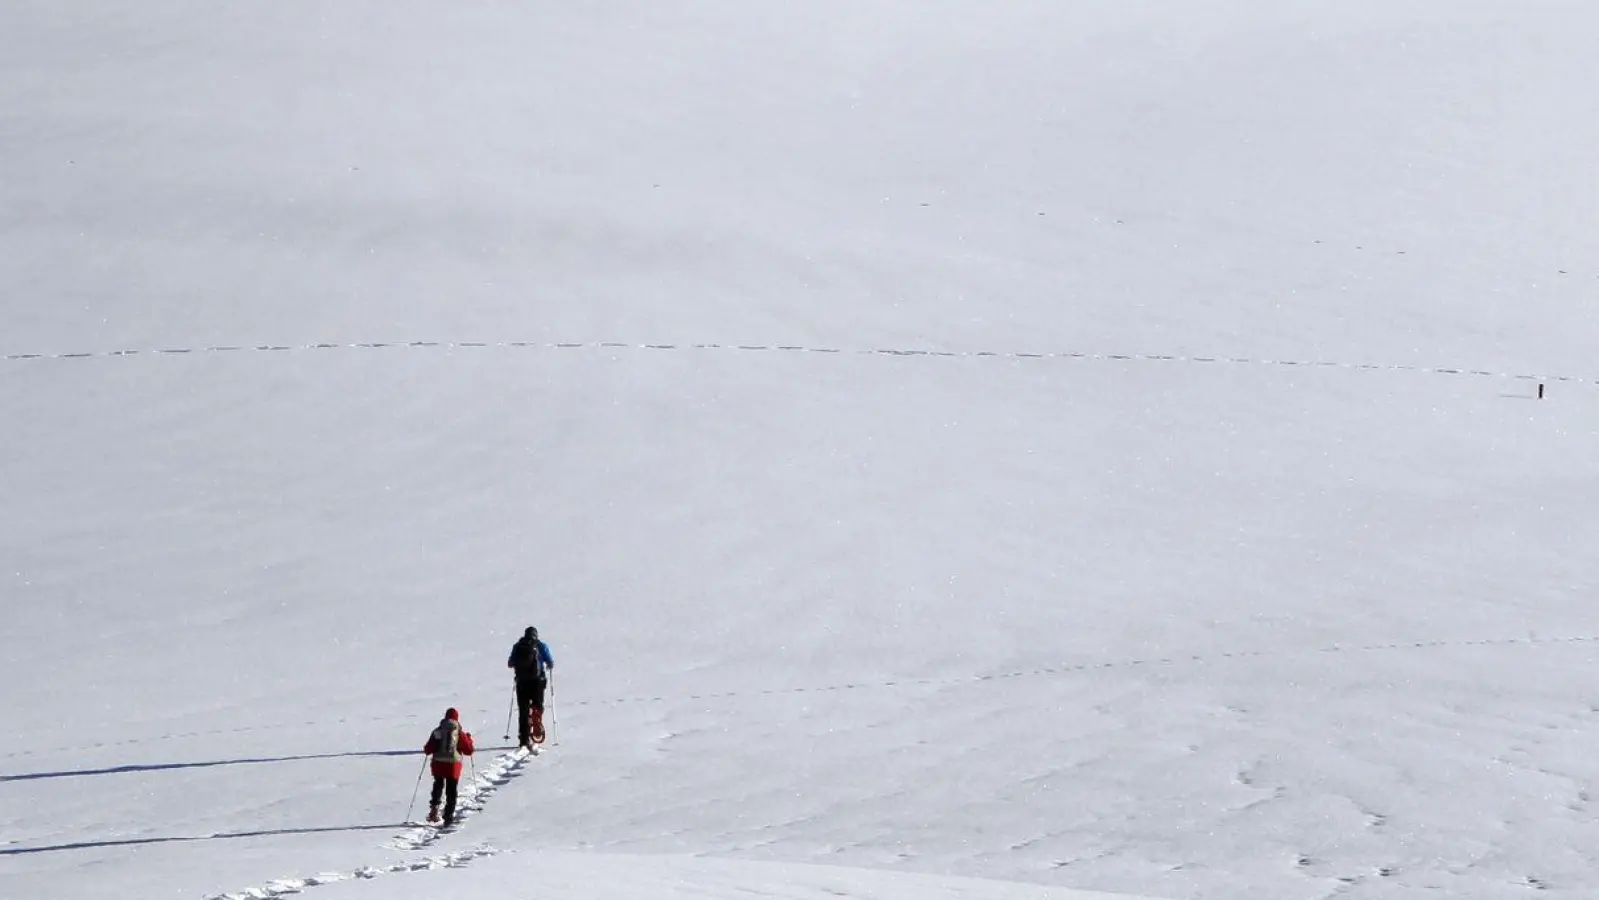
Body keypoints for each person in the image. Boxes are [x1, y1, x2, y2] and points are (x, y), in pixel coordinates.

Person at [422, 707, 475, 826]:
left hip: (438, 764)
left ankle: (434, 810)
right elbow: (469, 750)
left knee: (438, 785)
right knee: (451, 791)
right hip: (453, 766)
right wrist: (469, 739)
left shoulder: (438, 731)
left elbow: (428, 749)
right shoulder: (459, 732)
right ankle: (448, 817)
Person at [507, 626, 555, 748]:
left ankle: (524, 739)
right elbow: (550, 661)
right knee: (537, 705)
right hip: (537, 682)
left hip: (521, 682)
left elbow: (510, 663)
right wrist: (548, 665)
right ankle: (536, 718)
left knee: (523, 710)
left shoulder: (517, 646)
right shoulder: (541, 645)